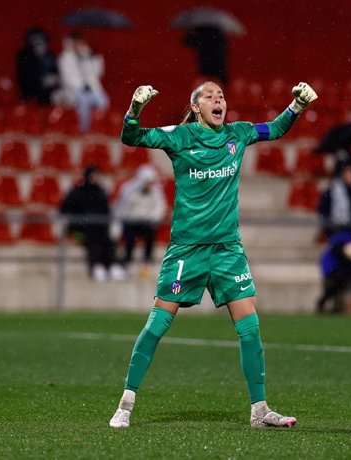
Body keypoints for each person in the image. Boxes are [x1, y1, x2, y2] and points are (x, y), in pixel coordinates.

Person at [109, 80, 318, 429]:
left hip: (226, 251)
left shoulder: (238, 134)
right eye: (209, 96)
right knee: (157, 326)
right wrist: (134, 110)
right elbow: (131, 138)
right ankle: (125, 405)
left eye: (220, 95)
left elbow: (276, 128)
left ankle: (260, 411)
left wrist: (296, 105)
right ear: (196, 107)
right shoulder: (179, 136)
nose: (218, 99)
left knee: (250, 328)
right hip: (186, 251)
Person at [60, 165, 125, 282]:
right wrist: (82, 221)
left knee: (108, 241)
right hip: (79, 231)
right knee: (93, 242)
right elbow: (65, 211)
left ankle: (113, 266)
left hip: (99, 228)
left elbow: (106, 212)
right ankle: (96, 267)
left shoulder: (101, 192)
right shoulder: (76, 192)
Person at [113, 164, 168, 276]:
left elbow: (160, 206)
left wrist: (153, 218)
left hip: (146, 223)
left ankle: (146, 262)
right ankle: (126, 264)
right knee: (130, 242)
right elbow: (121, 208)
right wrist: (117, 226)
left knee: (150, 238)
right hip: (130, 222)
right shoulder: (128, 189)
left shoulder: (155, 190)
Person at [56, 32, 109, 133]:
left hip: (90, 90)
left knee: (103, 101)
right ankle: (84, 130)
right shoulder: (65, 58)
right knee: (84, 102)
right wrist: (81, 86)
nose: (78, 45)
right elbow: (67, 78)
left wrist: (95, 58)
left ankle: (97, 126)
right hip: (73, 92)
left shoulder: (87, 56)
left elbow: (98, 73)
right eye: (75, 43)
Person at [316, 229, 351, 315]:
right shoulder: (342, 237)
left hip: (345, 268)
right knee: (337, 285)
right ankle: (324, 303)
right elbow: (337, 251)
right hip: (333, 268)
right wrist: (348, 255)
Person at [16, 27, 60, 105]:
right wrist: (42, 82)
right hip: (32, 94)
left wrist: (55, 79)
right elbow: (24, 81)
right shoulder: (24, 57)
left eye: (42, 42)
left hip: (51, 93)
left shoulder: (50, 57)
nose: (39, 45)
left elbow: (57, 75)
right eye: (35, 42)